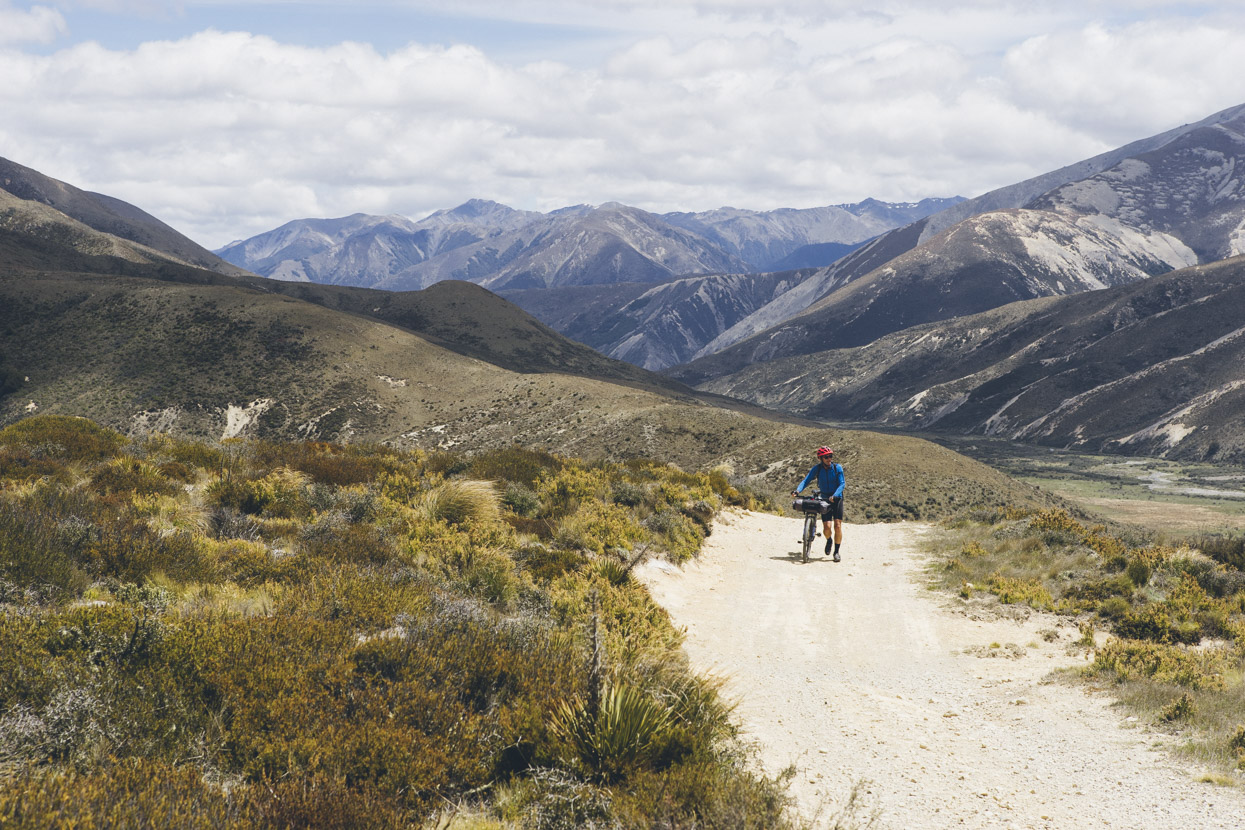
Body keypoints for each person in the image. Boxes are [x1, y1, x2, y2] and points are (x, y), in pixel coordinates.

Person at [792, 446, 845, 561]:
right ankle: (829, 540)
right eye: (826, 457)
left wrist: (835, 495)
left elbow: (842, 484)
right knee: (827, 527)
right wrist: (797, 490)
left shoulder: (837, 468)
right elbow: (806, 480)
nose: (829, 459)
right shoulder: (817, 469)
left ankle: (836, 552)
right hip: (824, 499)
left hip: (837, 499)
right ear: (821, 458)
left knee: (837, 525)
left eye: (830, 456)